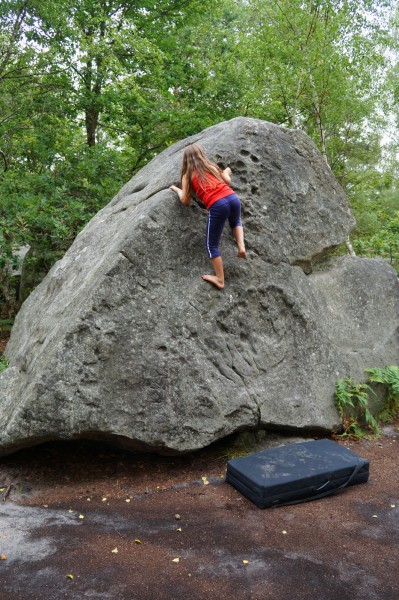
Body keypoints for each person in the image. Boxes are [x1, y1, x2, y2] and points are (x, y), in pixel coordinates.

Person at [170, 144, 246, 290]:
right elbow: (227, 181)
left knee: (211, 245)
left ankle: (220, 279)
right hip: (232, 197)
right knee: (236, 221)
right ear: (201, 154)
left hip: (217, 205)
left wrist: (177, 189)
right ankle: (241, 246)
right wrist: (227, 172)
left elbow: (185, 200)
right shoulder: (210, 166)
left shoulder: (187, 175)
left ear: (185, 160)